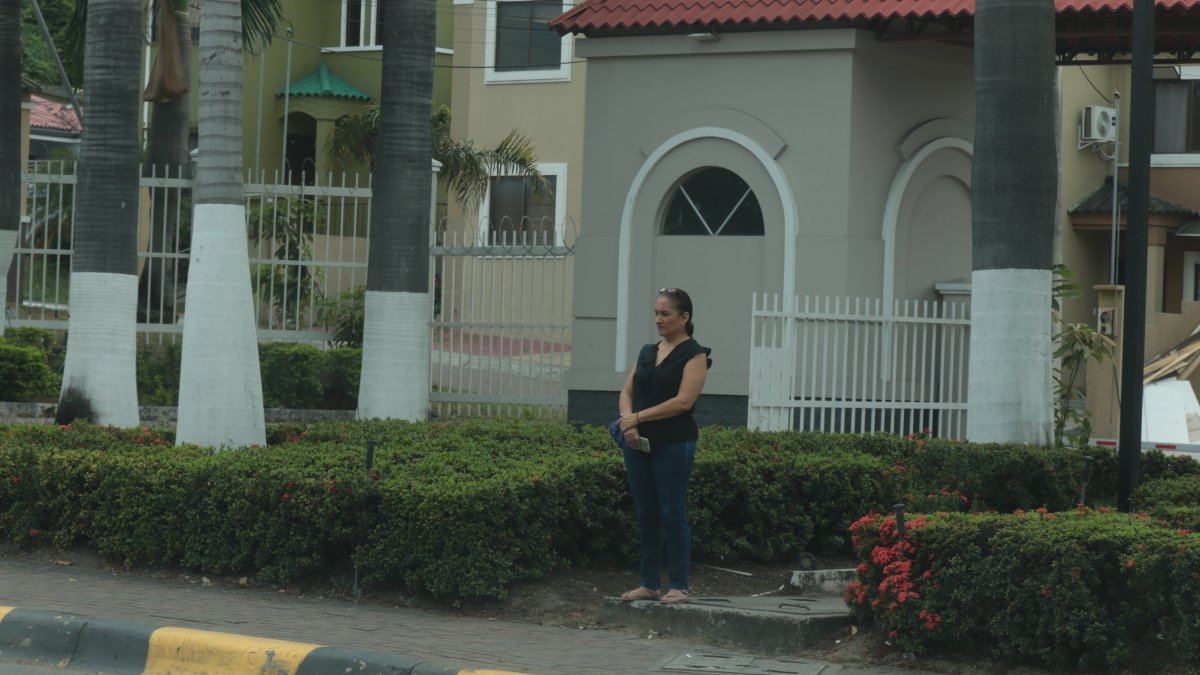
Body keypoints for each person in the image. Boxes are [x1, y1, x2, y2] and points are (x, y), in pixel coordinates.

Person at [615, 287, 712, 605]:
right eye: (656, 313)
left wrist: (637, 418)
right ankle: (649, 584)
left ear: (684, 317)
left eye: (666, 313)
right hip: (637, 444)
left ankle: (679, 586)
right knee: (646, 514)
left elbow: (683, 402)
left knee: (672, 513)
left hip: (674, 443)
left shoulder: (695, 355)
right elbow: (626, 392)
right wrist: (629, 421)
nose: (658, 319)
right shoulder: (647, 352)